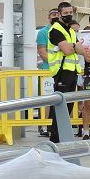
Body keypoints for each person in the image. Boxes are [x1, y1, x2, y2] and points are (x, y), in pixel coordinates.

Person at [45, 2, 85, 143]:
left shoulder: (71, 31)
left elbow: (81, 50)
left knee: (68, 105)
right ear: (60, 14)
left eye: (70, 13)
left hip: (73, 71)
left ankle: (63, 135)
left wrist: (72, 46)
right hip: (61, 71)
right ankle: (55, 137)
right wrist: (74, 46)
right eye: (66, 13)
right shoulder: (55, 30)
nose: (69, 15)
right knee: (59, 105)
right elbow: (68, 50)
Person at [36, 8, 60, 136]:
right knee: (47, 100)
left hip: (61, 71)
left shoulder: (63, 31)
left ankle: (57, 125)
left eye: (57, 14)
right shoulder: (43, 32)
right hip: (47, 71)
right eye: (53, 15)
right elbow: (42, 51)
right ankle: (44, 126)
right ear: (48, 17)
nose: (55, 17)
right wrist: (54, 62)